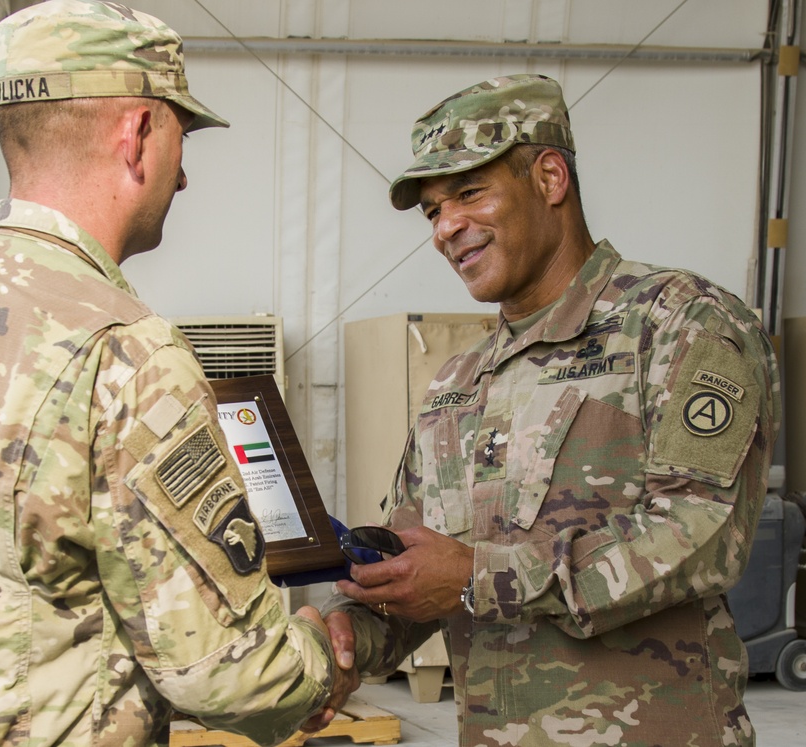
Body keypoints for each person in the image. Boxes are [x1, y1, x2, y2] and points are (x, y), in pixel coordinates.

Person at [0, 2, 356, 745]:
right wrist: (344, 644)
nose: (185, 174)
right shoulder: (125, 352)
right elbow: (228, 674)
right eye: (179, 135)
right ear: (137, 135)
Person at [323, 74, 781, 746]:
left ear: (549, 177)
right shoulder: (460, 381)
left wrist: (480, 575)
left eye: (469, 193)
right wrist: (341, 632)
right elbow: (421, 569)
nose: (446, 227)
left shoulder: (679, 325)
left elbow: (701, 533)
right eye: (432, 211)